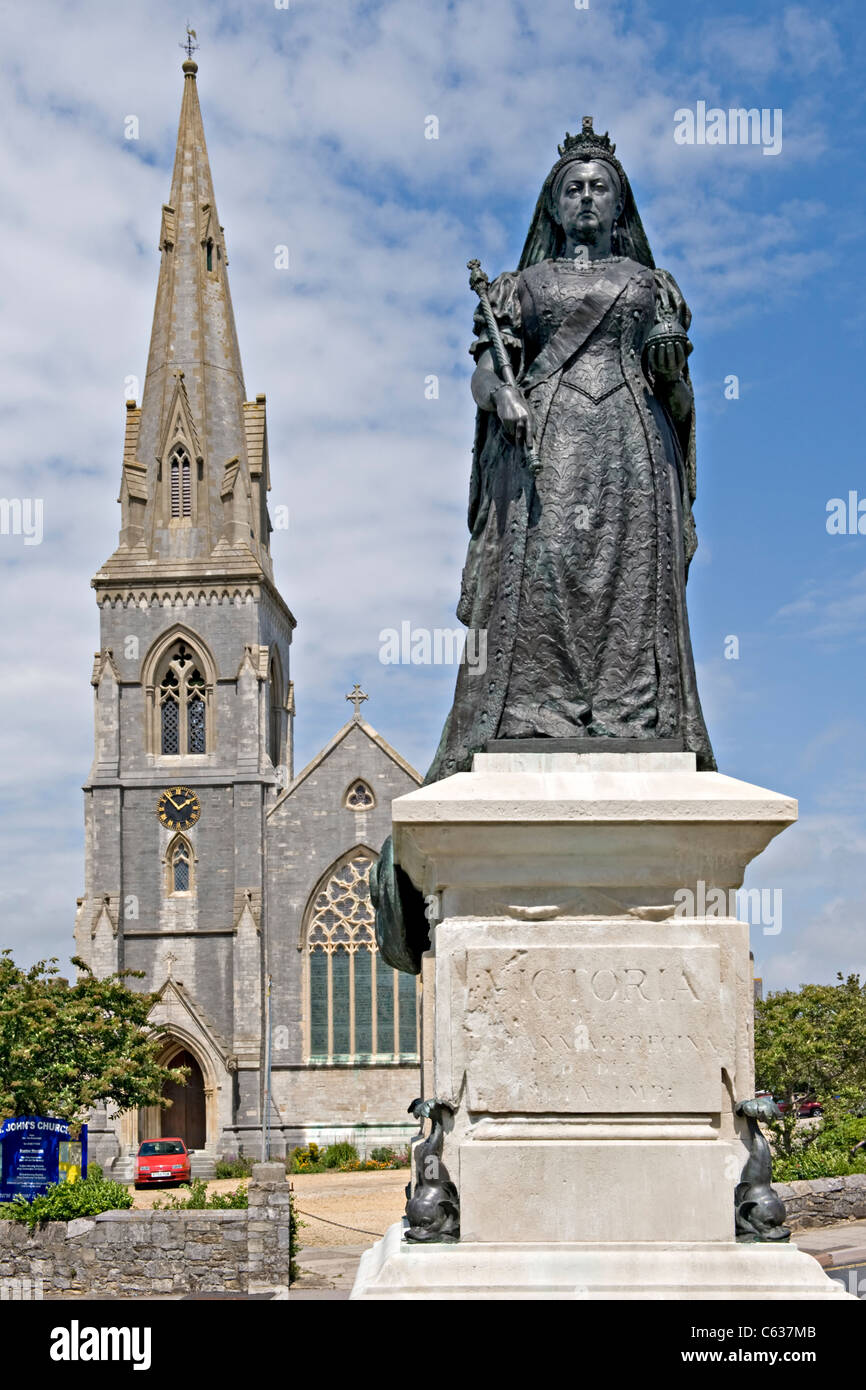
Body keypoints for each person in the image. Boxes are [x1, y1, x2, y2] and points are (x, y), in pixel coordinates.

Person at [427, 117, 714, 780]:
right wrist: (503, 396)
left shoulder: (651, 287)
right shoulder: (522, 287)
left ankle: (634, 716)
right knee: (541, 571)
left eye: (600, 188)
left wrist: (670, 369)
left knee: (630, 581)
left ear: (619, 205)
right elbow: (485, 371)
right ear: (555, 207)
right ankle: (530, 715)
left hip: (631, 449)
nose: (587, 197)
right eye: (575, 188)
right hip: (546, 444)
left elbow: (675, 397)